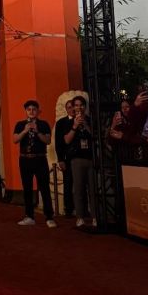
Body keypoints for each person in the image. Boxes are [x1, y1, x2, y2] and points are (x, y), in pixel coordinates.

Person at [13, 100, 57, 227]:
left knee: (44, 188)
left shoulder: (43, 124)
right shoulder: (20, 124)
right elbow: (15, 140)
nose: (31, 111)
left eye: (34, 109)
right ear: (26, 111)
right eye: (29, 109)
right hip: (25, 159)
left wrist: (37, 131)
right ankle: (29, 216)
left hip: (40, 159)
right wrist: (25, 131)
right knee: (27, 188)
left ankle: (49, 217)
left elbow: (48, 141)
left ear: (38, 111)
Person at [63, 96, 96, 228]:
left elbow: (95, 136)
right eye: (76, 105)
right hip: (76, 159)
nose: (79, 108)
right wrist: (75, 126)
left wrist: (85, 125)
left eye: (81, 105)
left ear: (84, 107)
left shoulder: (90, 119)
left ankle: (95, 217)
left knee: (93, 189)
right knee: (78, 189)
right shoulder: (68, 122)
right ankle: (80, 217)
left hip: (90, 158)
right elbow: (67, 140)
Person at [53, 98, 76, 216]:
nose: (72, 109)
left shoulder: (83, 120)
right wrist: (60, 159)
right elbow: (58, 142)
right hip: (67, 157)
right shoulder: (61, 123)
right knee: (68, 183)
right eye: (69, 107)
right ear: (66, 109)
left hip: (80, 156)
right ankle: (68, 209)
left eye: (73, 107)